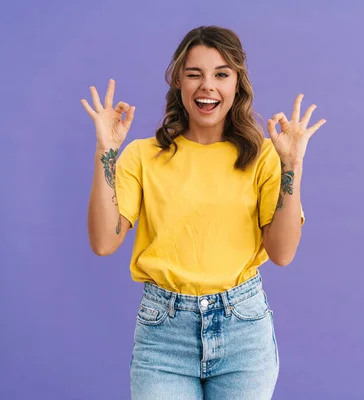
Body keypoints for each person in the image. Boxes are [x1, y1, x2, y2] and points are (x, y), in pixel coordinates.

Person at [81, 25, 326, 399]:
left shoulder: (262, 156)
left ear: (237, 84)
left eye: (221, 74)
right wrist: (105, 151)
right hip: (164, 333)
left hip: (242, 330)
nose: (207, 86)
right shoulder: (143, 156)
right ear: (178, 81)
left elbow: (282, 253)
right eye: (194, 74)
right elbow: (103, 241)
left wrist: (291, 165)